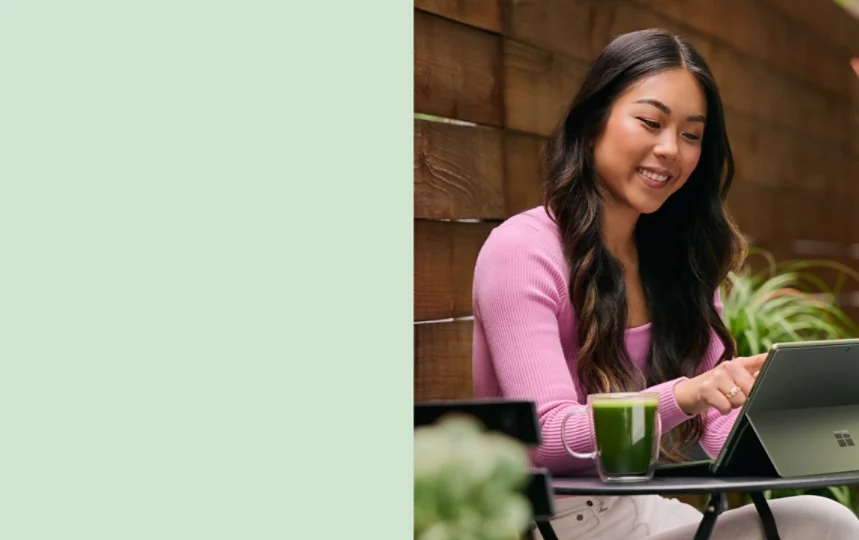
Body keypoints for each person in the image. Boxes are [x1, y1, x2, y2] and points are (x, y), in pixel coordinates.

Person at [472, 28, 859, 539]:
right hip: (554, 523)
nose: (670, 149)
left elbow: (717, 426)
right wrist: (686, 394)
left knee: (825, 522)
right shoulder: (524, 250)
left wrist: (792, 422)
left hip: (646, 510)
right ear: (593, 124)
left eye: (692, 135)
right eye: (650, 122)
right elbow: (544, 438)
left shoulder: (680, 261)